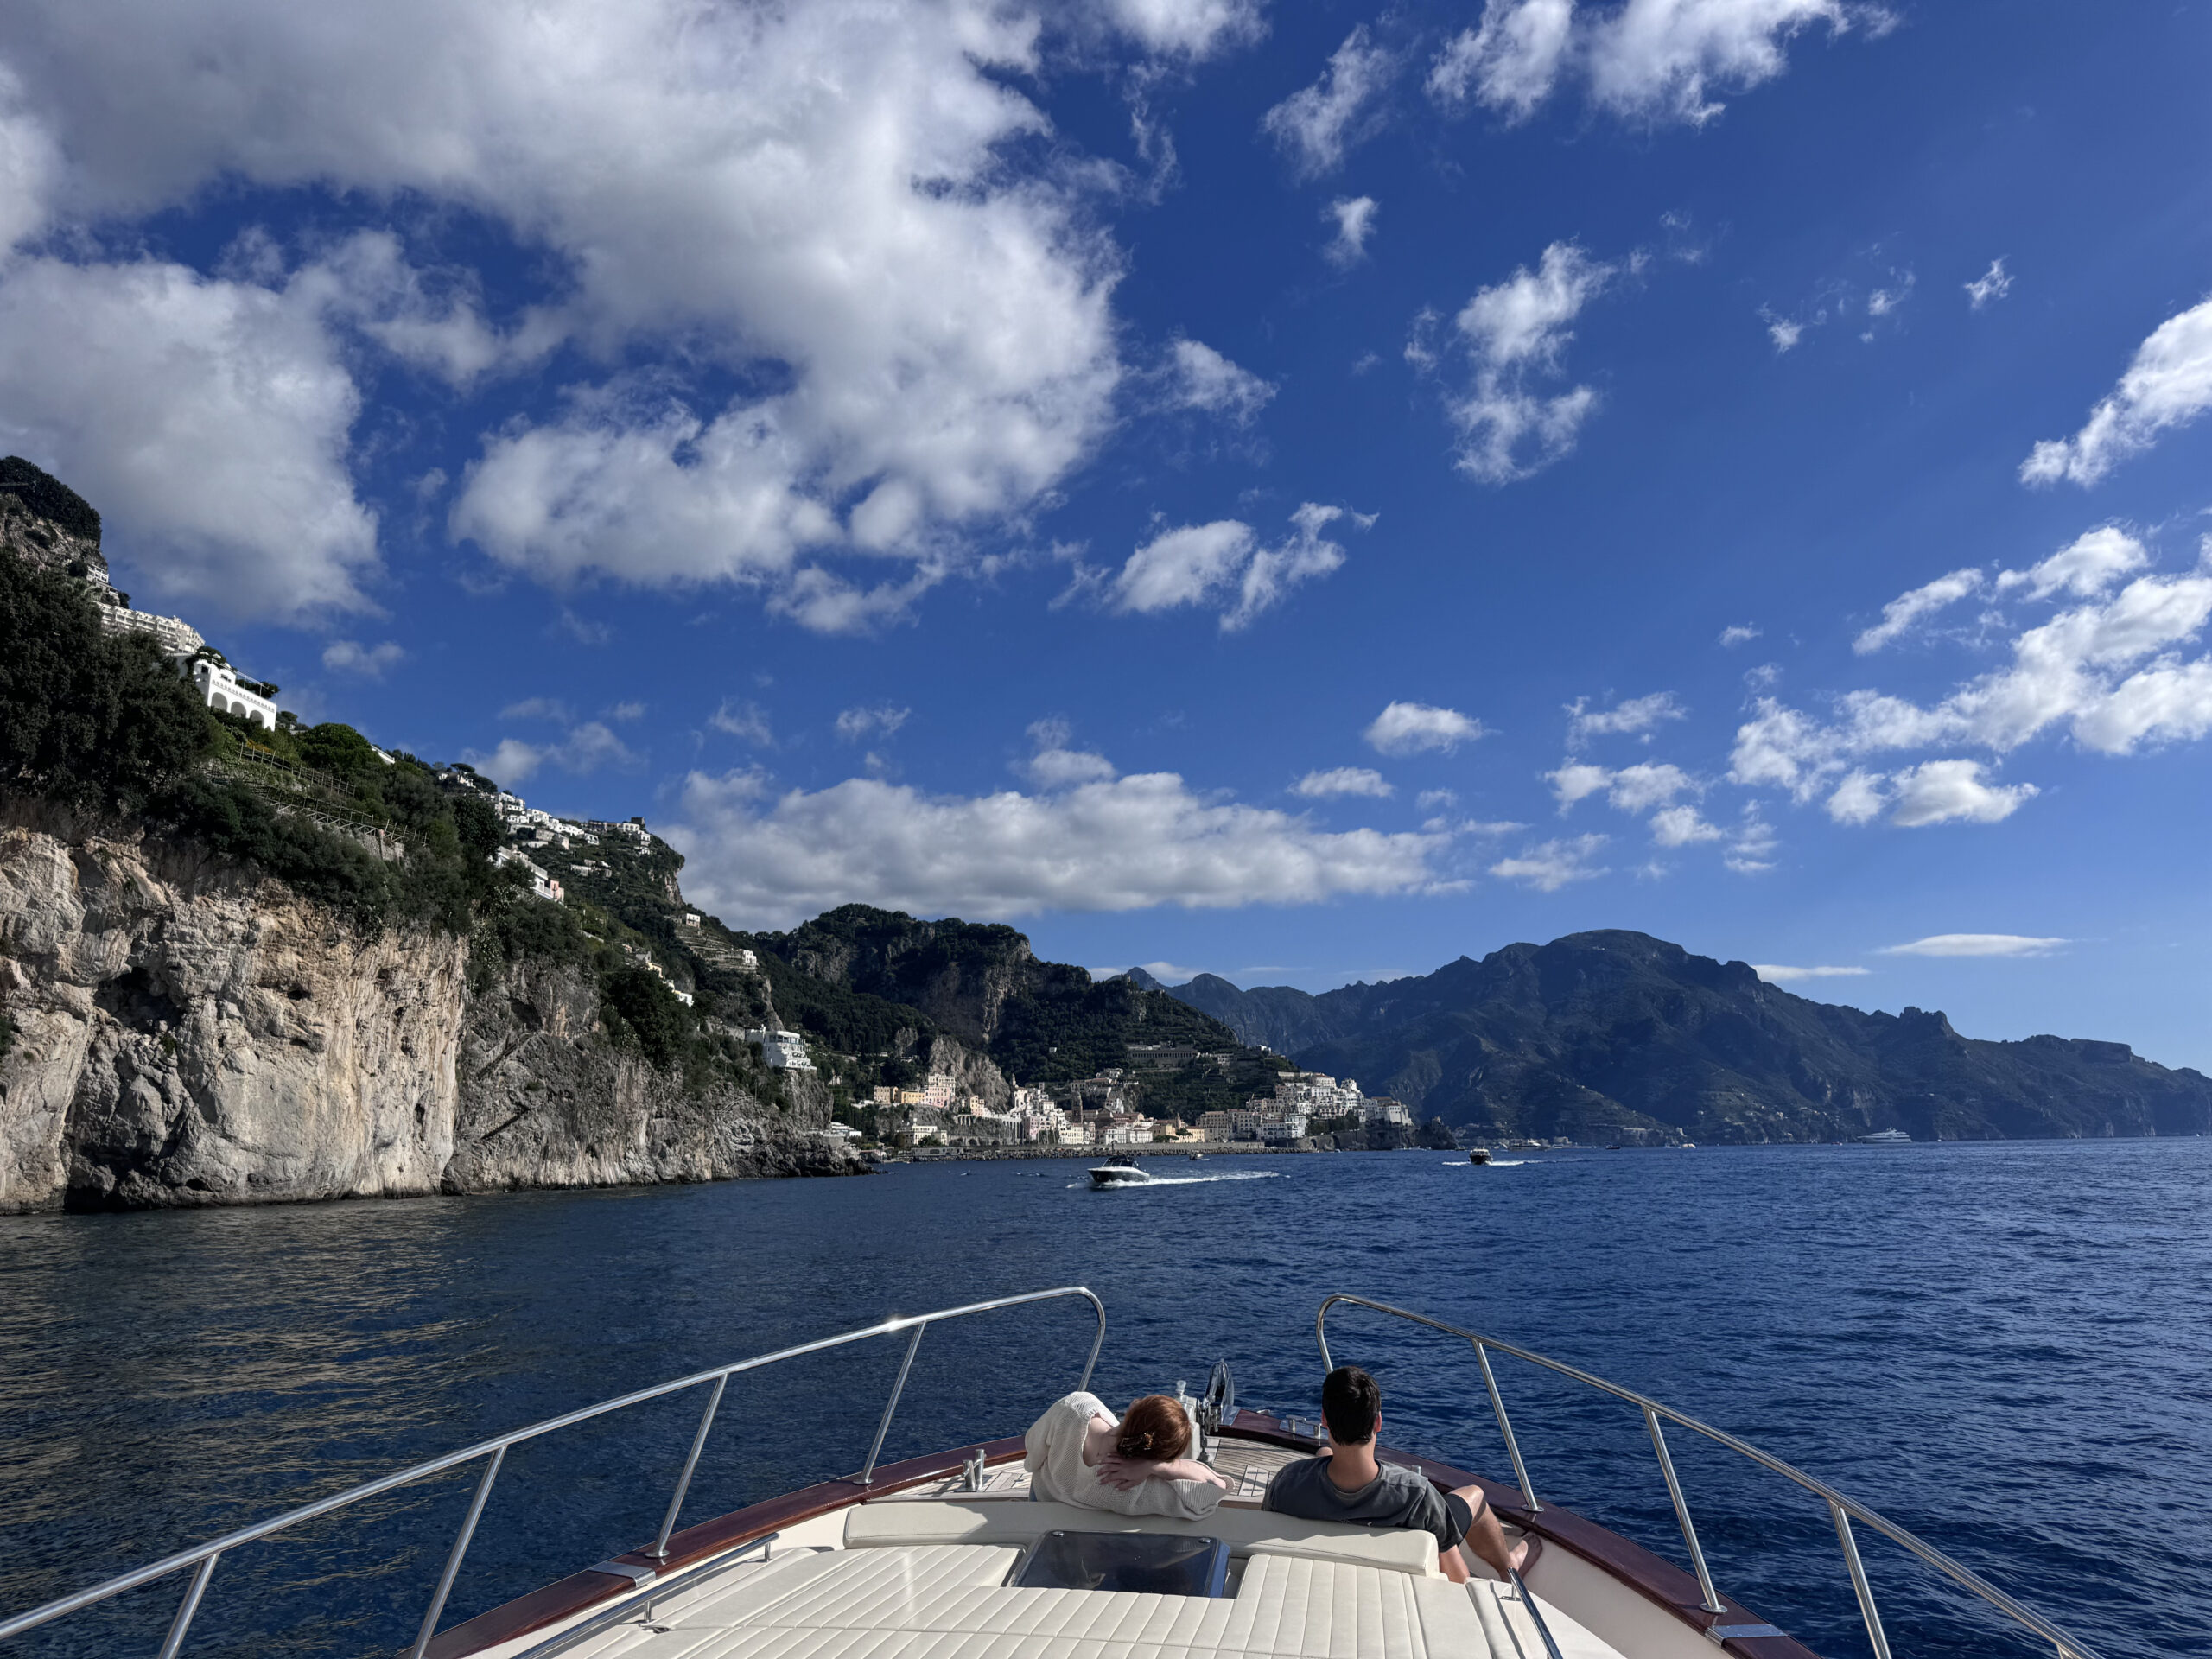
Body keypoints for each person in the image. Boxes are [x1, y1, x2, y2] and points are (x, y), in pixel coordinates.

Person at [1262, 1365, 1534, 1584]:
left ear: (1324, 1420)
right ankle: (1507, 1567)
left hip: (1320, 1544)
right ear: (1378, 1422)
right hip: (1411, 1514)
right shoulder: (1416, 1495)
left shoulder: (1287, 1483)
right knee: (1475, 1495)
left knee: (1324, 1455)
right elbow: (1457, 1578)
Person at [1024, 1389, 1232, 1519]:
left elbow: (1032, 1457)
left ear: (1135, 1406)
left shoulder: (1075, 1408)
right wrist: (1157, 1467)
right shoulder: (1133, 1488)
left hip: (1042, 1506)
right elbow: (1216, 1488)